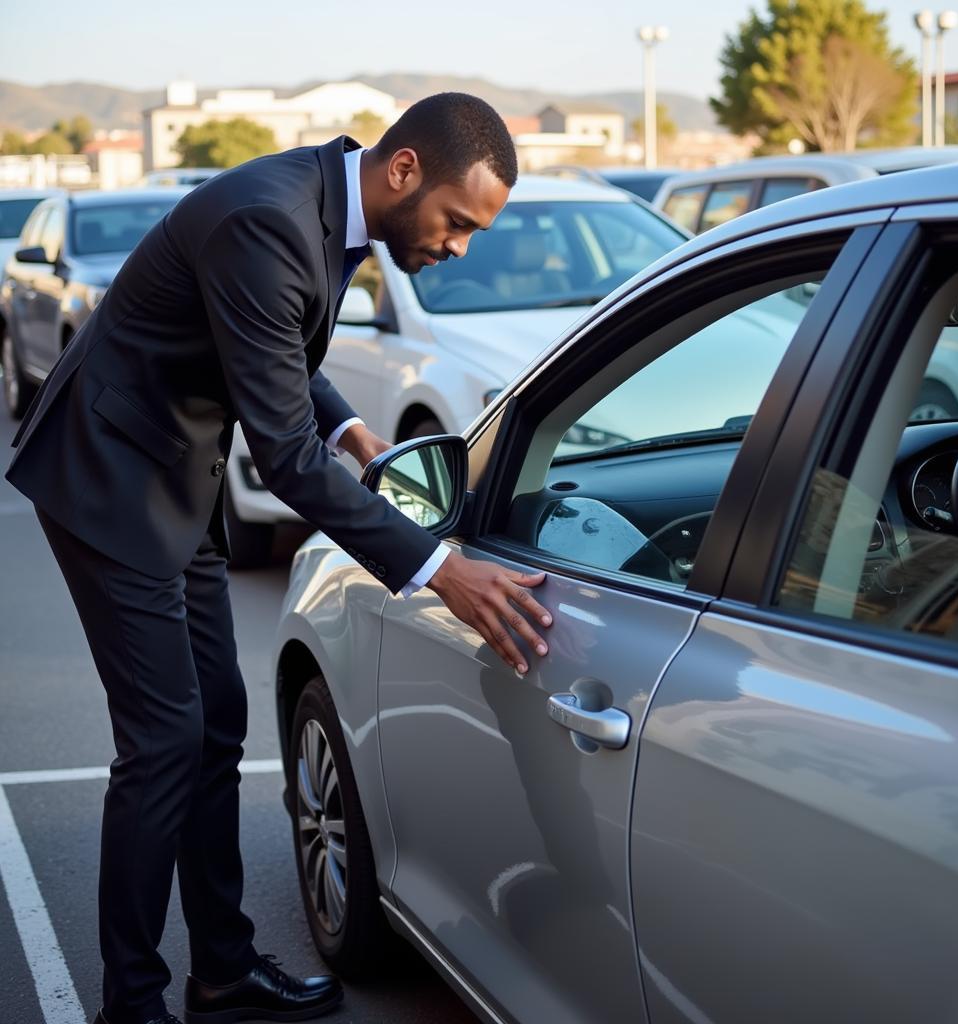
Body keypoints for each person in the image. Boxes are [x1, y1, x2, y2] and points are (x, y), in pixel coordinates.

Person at [5, 92, 552, 1024]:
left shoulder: (323, 207)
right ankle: (131, 1004)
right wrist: (439, 571)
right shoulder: (270, 218)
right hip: (110, 481)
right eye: (459, 223)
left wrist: (354, 430)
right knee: (164, 743)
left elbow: (277, 344)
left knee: (215, 723)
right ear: (405, 170)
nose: (460, 246)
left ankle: (221, 970)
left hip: (175, 479)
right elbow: (286, 458)